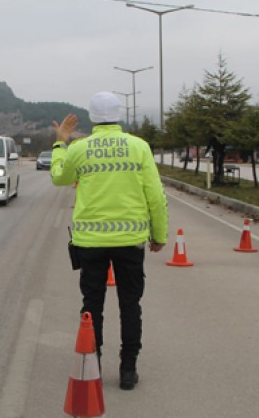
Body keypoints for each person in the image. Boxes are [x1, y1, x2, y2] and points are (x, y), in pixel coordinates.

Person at [50, 91, 169, 390]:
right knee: (131, 305)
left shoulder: (79, 148)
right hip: (130, 241)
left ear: (91, 117)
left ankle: (94, 366)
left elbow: (59, 178)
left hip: (90, 243)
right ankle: (128, 370)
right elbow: (155, 196)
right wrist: (159, 234)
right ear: (120, 114)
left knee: (92, 304)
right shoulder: (139, 147)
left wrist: (59, 143)